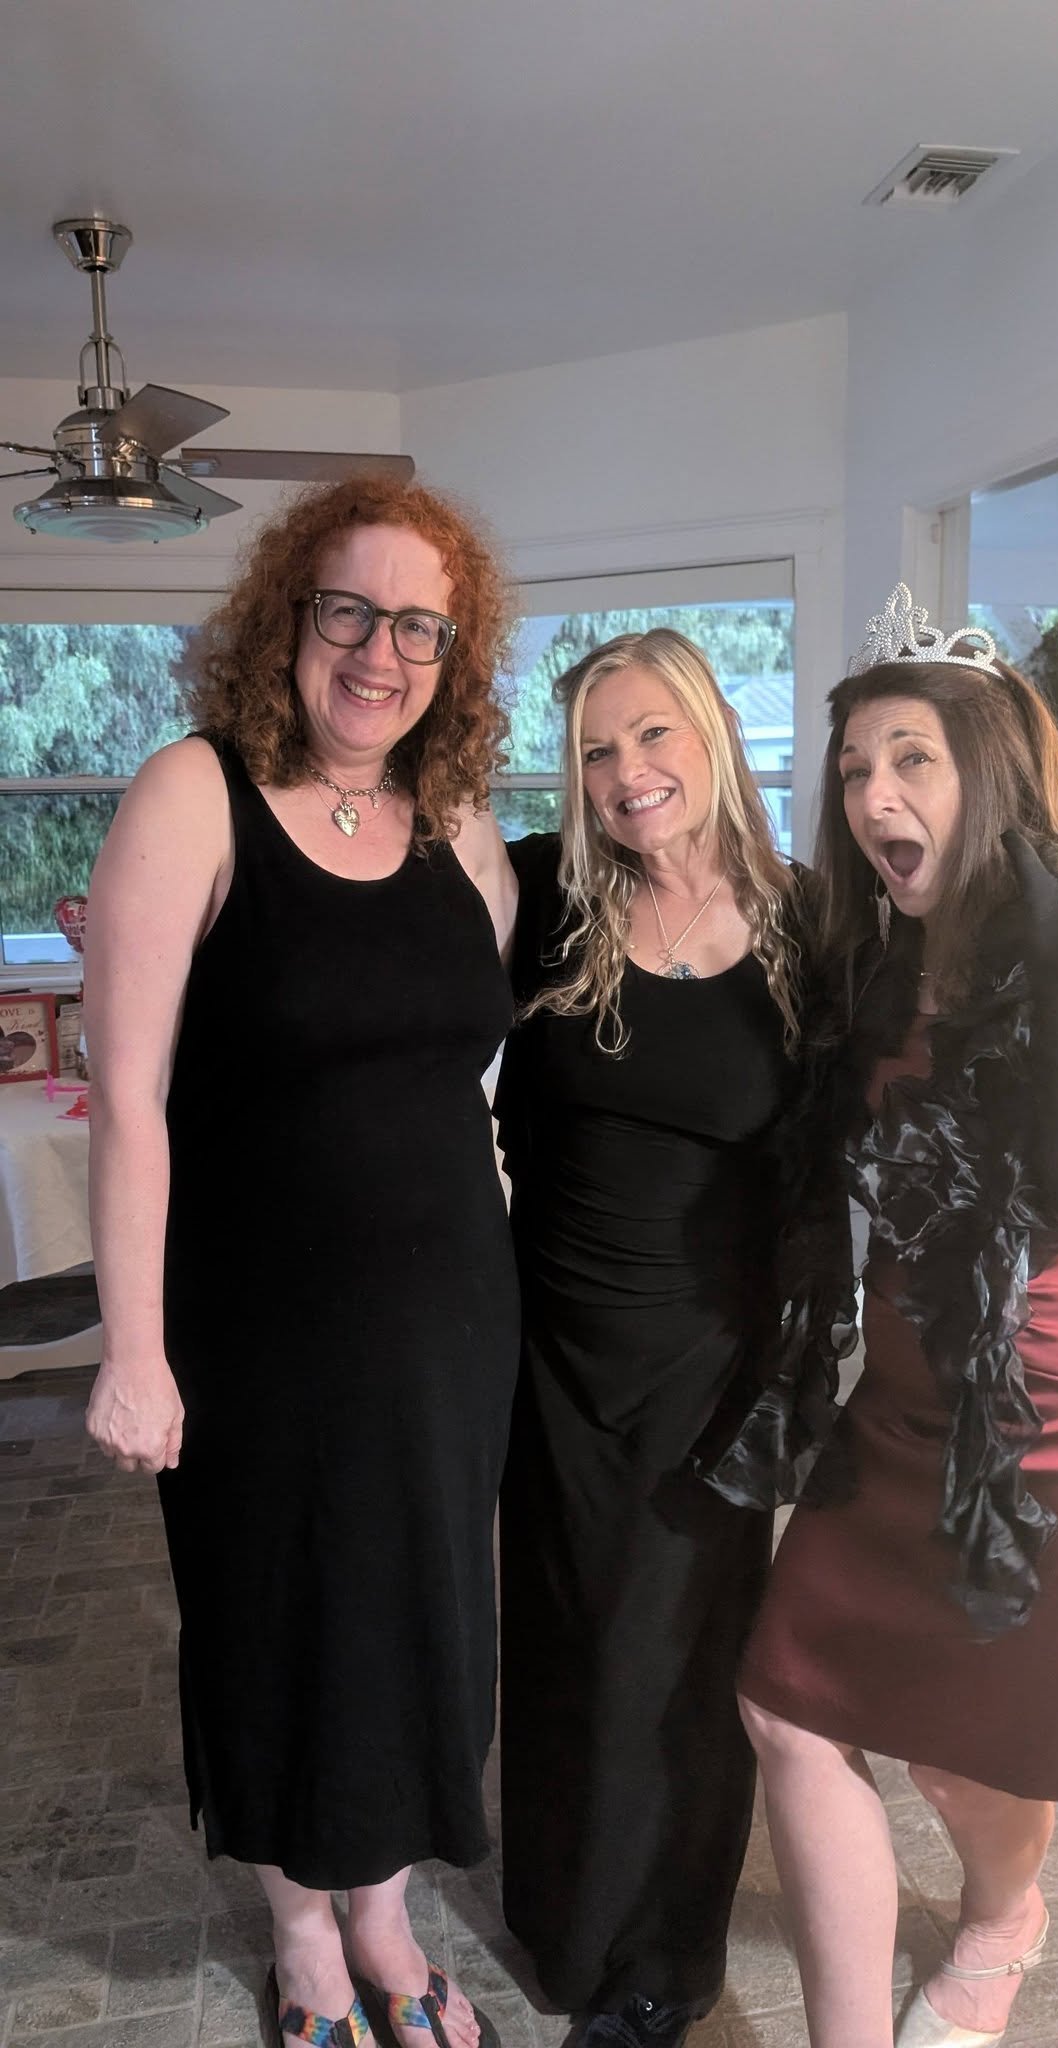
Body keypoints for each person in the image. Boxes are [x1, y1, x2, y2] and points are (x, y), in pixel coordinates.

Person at [83, 474, 520, 2048]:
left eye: (419, 626)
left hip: (449, 1324)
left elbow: (466, 1063)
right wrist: (133, 1348)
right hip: (259, 1329)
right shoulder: (193, 794)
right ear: (290, 616)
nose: (379, 652)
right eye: (349, 609)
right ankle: (301, 1933)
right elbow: (127, 1098)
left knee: (418, 1623)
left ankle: (384, 1913)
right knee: (277, 1622)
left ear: (452, 656)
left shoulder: (459, 820)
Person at [736, 586, 1058, 2048]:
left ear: (992, 771)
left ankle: (1001, 1919)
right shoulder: (883, 961)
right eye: (856, 767)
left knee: (968, 1750)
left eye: (911, 760)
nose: (872, 798)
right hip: (904, 1401)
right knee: (789, 1703)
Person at [495, 628, 841, 2048]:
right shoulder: (541, 895)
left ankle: (663, 1960)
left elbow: (829, 1157)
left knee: (683, 1663)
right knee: (565, 1639)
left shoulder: (806, 924)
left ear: (712, 736)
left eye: (652, 735)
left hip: (714, 1360)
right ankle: (565, 1921)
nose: (626, 772)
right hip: (550, 1348)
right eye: (595, 748)